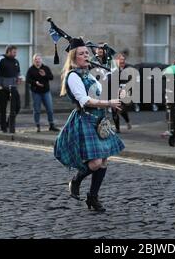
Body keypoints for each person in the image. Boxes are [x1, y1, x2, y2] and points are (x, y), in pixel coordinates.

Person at [54, 37, 125, 212]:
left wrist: (118, 91)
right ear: (73, 57)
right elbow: (85, 100)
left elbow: (100, 93)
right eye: (82, 53)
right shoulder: (73, 76)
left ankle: (93, 197)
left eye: (87, 52)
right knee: (95, 163)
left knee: (104, 160)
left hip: (100, 120)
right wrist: (109, 103)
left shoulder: (90, 74)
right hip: (85, 119)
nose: (86, 55)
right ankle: (76, 181)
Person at [0, 45, 22, 133]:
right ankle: (3, 127)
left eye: (16, 52)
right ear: (8, 51)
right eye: (14, 52)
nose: (15, 54)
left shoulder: (16, 61)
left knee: (17, 106)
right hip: (2, 88)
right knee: (3, 109)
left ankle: (9, 122)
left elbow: (18, 72)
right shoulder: (1, 59)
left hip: (13, 88)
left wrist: (19, 78)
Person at [26, 54, 59, 133]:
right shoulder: (31, 70)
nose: (37, 61)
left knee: (50, 109)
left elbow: (51, 77)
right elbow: (28, 80)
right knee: (37, 110)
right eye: (36, 59)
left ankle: (51, 125)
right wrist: (35, 83)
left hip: (46, 92)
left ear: (41, 60)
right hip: (36, 92)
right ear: (33, 61)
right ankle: (37, 125)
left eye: (39, 59)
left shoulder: (45, 68)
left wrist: (45, 75)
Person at [111, 53, 132, 133]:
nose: (122, 61)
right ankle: (117, 128)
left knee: (122, 110)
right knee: (114, 109)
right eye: (120, 60)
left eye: (123, 60)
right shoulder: (114, 69)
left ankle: (127, 121)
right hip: (115, 91)